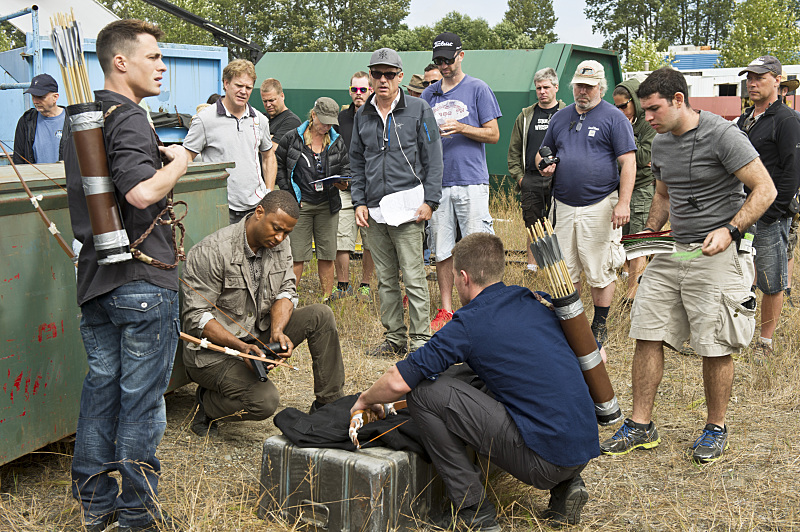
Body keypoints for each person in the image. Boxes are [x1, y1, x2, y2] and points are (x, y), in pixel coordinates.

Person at [351, 233, 599, 529]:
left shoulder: (469, 322)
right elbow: (594, 356)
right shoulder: (532, 299)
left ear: (464, 277)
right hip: (584, 447)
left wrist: (365, 399)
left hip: (543, 463)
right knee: (488, 377)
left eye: (454, 277)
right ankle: (567, 486)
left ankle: (474, 511)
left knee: (424, 394)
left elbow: (398, 380)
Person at [600, 67, 776, 464]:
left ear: (679, 100)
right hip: (672, 250)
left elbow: (766, 189)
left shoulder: (724, 135)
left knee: (713, 344)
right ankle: (641, 425)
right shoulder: (661, 142)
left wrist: (730, 230)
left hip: (714, 253)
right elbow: (663, 193)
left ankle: (716, 428)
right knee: (646, 332)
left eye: (653, 109)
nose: (647, 118)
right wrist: (648, 233)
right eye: (643, 111)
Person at [64, 19, 191, 531]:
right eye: (154, 56)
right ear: (122, 61)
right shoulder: (131, 116)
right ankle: (138, 516)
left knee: (100, 396)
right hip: (141, 284)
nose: (162, 66)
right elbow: (140, 194)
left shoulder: (83, 117)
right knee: (141, 405)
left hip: (95, 281)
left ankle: (97, 507)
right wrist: (179, 161)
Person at [181, 190, 345, 436]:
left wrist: (278, 330)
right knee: (264, 402)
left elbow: (286, 290)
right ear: (259, 213)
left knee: (320, 315)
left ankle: (328, 405)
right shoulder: (212, 251)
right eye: (276, 228)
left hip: (257, 336)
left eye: (286, 233)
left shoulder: (281, 243)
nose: (280, 238)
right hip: (213, 353)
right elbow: (196, 317)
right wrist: (241, 347)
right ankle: (207, 405)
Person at [350, 48, 443, 357]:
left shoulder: (418, 109)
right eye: (377, 74)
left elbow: (434, 158)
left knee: (414, 277)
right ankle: (394, 339)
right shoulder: (363, 114)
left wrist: (431, 200)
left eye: (389, 74)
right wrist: (359, 201)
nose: (383, 80)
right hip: (374, 210)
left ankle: (420, 341)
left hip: (409, 208)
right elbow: (356, 160)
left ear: (400, 77)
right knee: (386, 280)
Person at [536, 60, 637, 346]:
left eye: (590, 87)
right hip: (564, 204)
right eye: (580, 85)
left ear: (601, 88)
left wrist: (624, 203)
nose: (584, 91)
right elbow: (543, 154)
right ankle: (571, 323)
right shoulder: (559, 117)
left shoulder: (614, 118)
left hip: (601, 203)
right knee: (565, 268)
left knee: (600, 267)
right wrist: (543, 163)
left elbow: (628, 163)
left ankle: (600, 325)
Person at [421, 32, 502, 332]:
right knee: (441, 248)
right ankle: (446, 309)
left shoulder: (478, 89)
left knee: (476, 247)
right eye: (438, 60)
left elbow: (493, 134)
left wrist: (462, 128)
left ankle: (479, 307)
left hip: (471, 180)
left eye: (447, 59)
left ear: (461, 56)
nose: (443, 65)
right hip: (439, 182)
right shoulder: (429, 95)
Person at [736, 56, 800, 361]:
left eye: (760, 77)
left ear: (777, 80)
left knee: (771, 280)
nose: (752, 82)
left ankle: (765, 341)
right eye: (749, 77)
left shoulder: (787, 120)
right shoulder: (745, 119)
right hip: (740, 210)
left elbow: (792, 172)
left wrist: (772, 211)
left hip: (770, 214)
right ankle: (738, 333)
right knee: (740, 274)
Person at [183, 59, 276, 225]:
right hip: (220, 207)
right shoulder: (205, 120)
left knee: (254, 252)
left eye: (248, 87)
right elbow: (186, 158)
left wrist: (268, 192)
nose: (243, 91)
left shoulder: (260, 120)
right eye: (238, 85)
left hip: (256, 206)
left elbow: (268, 156)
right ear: (226, 84)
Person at [275, 97, 347, 300]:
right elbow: (279, 162)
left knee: (327, 254)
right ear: (313, 115)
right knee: (297, 255)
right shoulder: (292, 138)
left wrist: (343, 182)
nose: (326, 126)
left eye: (330, 122)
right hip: (300, 204)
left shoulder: (336, 140)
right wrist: (287, 189)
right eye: (323, 121)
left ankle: (326, 298)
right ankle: (290, 298)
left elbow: (346, 166)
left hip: (328, 204)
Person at [507, 67, 565, 272]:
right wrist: (520, 178)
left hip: (559, 179)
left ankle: (556, 268)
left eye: (546, 87)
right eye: (538, 88)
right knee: (533, 224)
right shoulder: (525, 116)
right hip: (531, 178)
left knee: (558, 224)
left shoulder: (566, 113)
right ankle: (532, 267)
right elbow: (514, 150)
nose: (542, 91)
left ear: (556, 87)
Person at [331, 71, 375, 300]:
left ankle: (365, 286)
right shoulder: (340, 119)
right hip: (344, 189)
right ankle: (343, 285)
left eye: (363, 90)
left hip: (370, 190)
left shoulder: (378, 115)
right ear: (350, 91)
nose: (358, 94)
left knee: (370, 241)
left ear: (371, 90)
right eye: (354, 90)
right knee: (342, 239)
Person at [612, 77, 657, 303]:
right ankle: (630, 286)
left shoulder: (647, 125)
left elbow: (643, 157)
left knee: (638, 242)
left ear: (635, 102)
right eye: (616, 106)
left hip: (641, 189)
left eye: (624, 105)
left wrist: (626, 134)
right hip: (620, 190)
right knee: (622, 240)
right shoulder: (618, 122)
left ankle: (632, 297)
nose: (620, 110)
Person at [778, 75, 800, 306]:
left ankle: (787, 288)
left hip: (788, 194)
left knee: (788, 243)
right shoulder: (751, 120)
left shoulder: (794, 120)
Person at [13, 73, 66, 164]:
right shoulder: (26, 121)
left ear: (55, 97)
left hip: (66, 177)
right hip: (35, 177)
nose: (35, 101)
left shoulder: (71, 121)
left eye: (41, 97)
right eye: (33, 96)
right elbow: (18, 158)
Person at [260, 78, 302, 149]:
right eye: (265, 101)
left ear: (282, 96)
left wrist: (257, 139)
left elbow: (272, 149)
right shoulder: (261, 118)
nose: (268, 105)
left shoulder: (292, 121)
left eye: (271, 100)